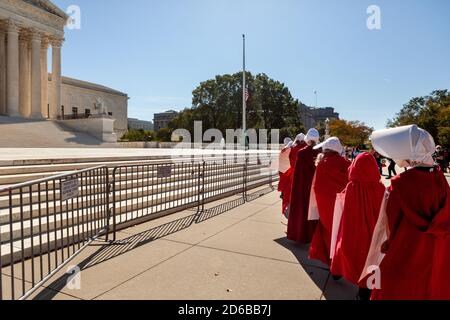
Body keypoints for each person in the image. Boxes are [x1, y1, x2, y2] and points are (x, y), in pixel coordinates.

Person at [366, 124, 450, 300]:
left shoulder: (400, 184)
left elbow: (390, 223)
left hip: (407, 246)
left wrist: (388, 242)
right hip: (436, 245)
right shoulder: (440, 177)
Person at [330, 152, 385, 300]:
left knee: (344, 251)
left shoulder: (351, 187)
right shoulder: (380, 189)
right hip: (373, 233)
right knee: (372, 260)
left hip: (352, 230)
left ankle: (337, 271)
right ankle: (365, 291)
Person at [308, 137, 351, 266]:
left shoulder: (321, 163)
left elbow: (316, 185)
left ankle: (331, 259)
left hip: (324, 202)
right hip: (341, 202)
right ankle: (339, 259)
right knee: (340, 230)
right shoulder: (345, 163)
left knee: (327, 229)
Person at [287, 129, 320, 243]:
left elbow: (298, 174)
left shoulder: (301, 153)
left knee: (302, 211)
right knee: (314, 212)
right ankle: (313, 235)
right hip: (315, 187)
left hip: (302, 187)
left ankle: (300, 234)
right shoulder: (320, 153)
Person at [278, 139, 294, 215]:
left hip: (286, 173)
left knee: (286, 191)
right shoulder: (286, 152)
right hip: (287, 173)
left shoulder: (283, 152)